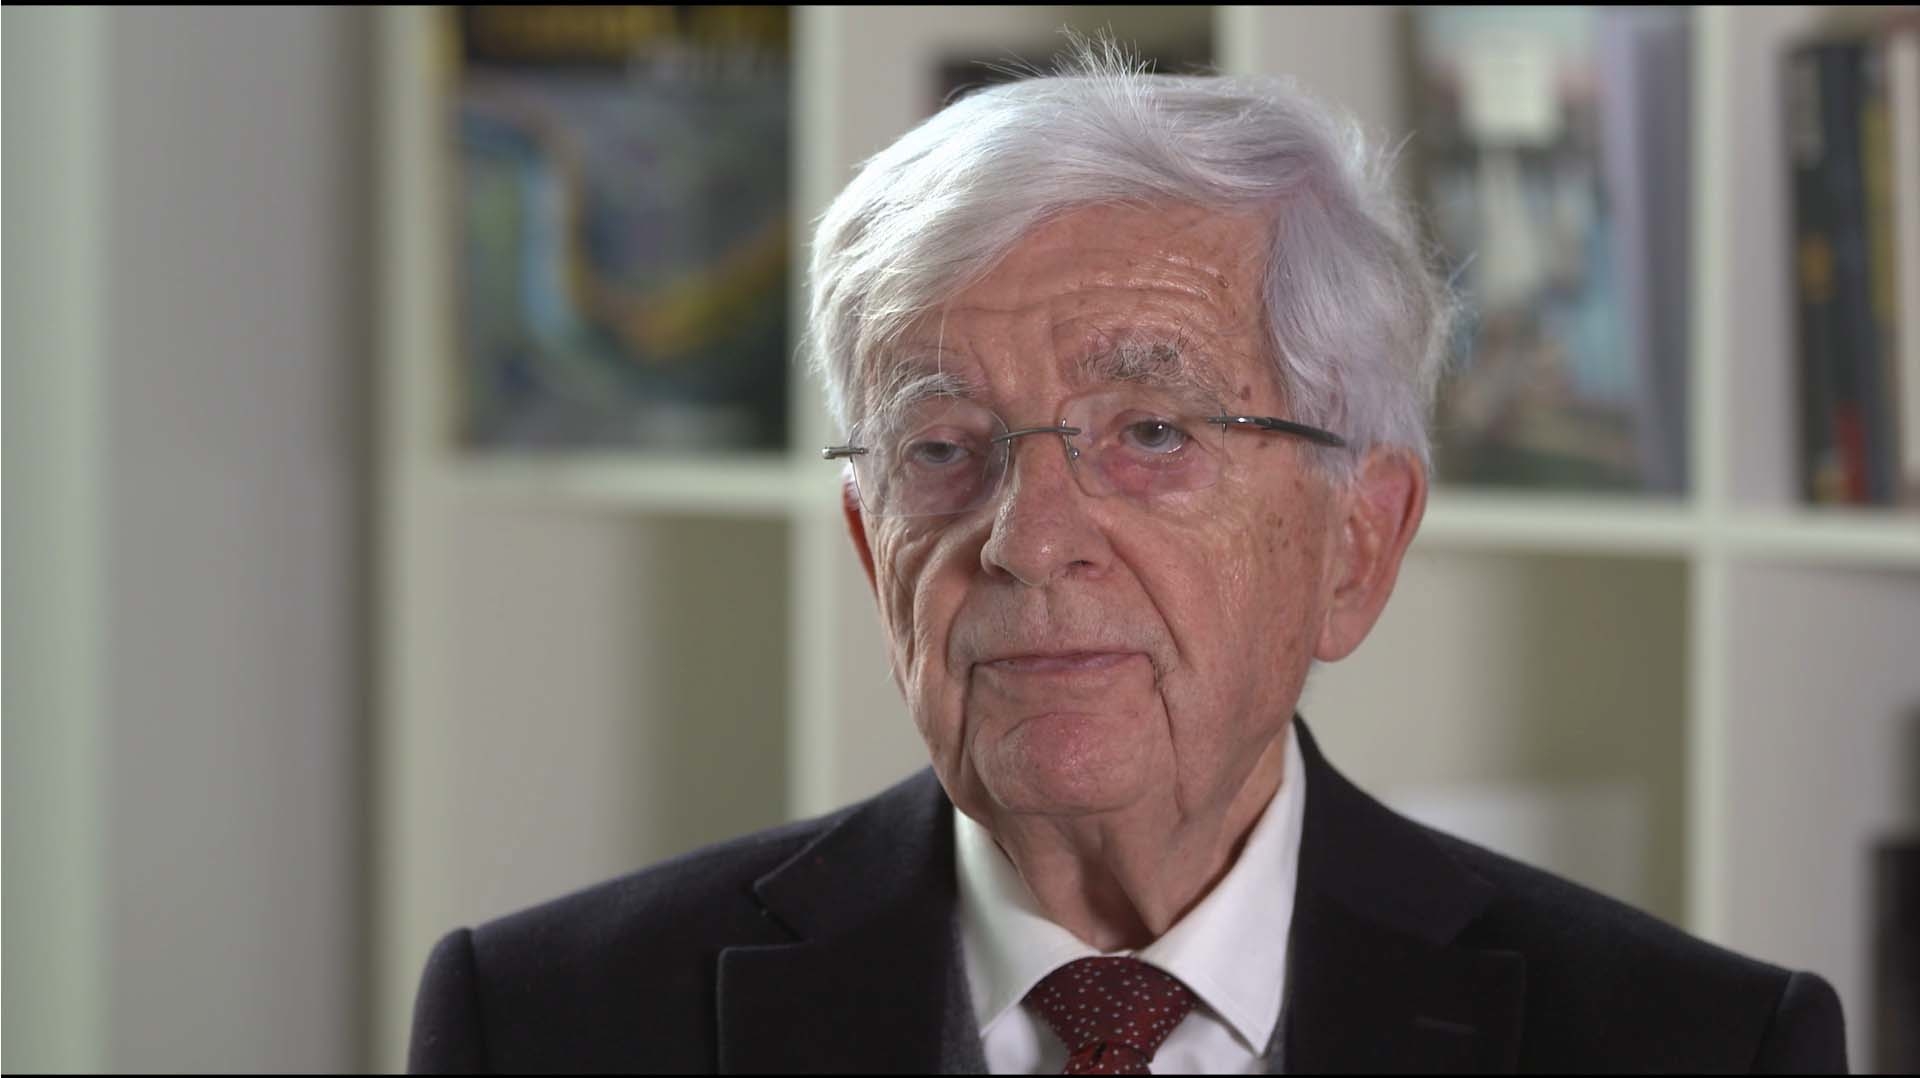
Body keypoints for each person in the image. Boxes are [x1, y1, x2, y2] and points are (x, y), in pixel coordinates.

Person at [408, 46, 1847, 1074]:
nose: (1028, 540)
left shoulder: (1699, 1044)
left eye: (1151, 432)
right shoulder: (545, 1023)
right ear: (868, 543)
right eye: (941, 447)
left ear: (1358, 542)